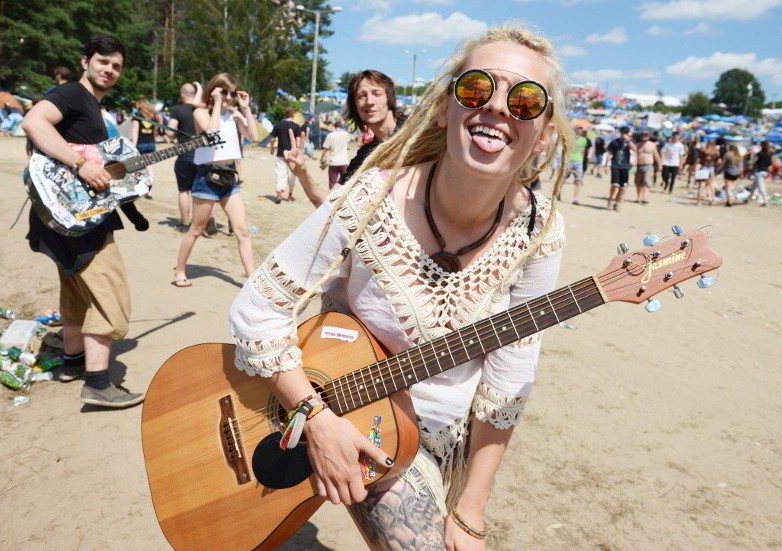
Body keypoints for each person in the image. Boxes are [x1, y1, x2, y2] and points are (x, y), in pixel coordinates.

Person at [229, 23, 568, 549]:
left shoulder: (539, 233)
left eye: (525, 101)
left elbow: (508, 380)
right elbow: (257, 309)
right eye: (478, 89)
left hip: (442, 437)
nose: (499, 108)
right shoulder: (371, 195)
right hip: (350, 420)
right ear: (443, 107)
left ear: (543, 135)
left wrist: (471, 511)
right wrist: (314, 419)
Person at [21, 34, 144, 408]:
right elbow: (33, 122)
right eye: (103, 61)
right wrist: (81, 165)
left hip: (66, 215)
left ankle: (73, 361)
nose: (109, 70)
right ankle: (98, 383)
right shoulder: (74, 94)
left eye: (116, 65)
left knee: (76, 293)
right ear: (85, 61)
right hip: (76, 220)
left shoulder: (91, 105)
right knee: (111, 294)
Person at [173, 72, 258, 287]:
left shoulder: (234, 113)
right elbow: (211, 132)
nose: (229, 97)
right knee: (197, 229)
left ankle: (252, 279)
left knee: (242, 231)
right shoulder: (201, 112)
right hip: (206, 177)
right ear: (214, 90)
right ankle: (180, 271)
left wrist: (245, 109)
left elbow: (254, 136)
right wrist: (218, 103)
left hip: (229, 176)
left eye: (232, 93)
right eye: (224, 92)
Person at [285, 69, 402, 208]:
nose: (369, 101)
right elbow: (330, 205)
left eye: (377, 93)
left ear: (389, 97)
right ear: (355, 107)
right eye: (361, 96)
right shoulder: (365, 157)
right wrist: (302, 174)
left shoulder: (417, 131)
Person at [167, 81, 203, 230]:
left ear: (182, 95)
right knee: (202, 192)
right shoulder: (202, 110)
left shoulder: (177, 110)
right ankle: (202, 223)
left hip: (185, 155)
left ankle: (185, 223)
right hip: (202, 155)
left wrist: (174, 137)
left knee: (184, 191)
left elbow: (170, 131)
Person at [268, 106, 302, 203]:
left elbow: (272, 139)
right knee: (292, 174)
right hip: (292, 155)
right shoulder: (296, 126)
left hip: (280, 153)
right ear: (293, 114)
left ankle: (279, 193)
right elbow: (298, 142)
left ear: (284, 113)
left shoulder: (278, 125)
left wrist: (271, 149)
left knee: (280, 173)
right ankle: (290, 196)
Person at [131, 98, 160, 198]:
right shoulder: (153, 117)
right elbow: (155, 132)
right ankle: (150, 191)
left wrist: (133, 146)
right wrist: (154, 140)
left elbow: (135, 132)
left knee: (139, 168)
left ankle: (140, 189)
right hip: (151, 144)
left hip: (140, 144)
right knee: (150, 168)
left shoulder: (137, 116)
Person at [605, 126, 636, 211]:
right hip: (615, 165)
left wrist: (628, 140)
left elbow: (635, 149)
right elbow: (609, 154)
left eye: (626, 132)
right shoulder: (615, 142)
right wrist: (607, 165)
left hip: (625, 167)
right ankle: (610, 199)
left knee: (623, 187)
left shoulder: (630, 141)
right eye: (623, 132)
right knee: (615, 184)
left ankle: (617, 202)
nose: (624, 134)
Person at [319, 118, 352, 190]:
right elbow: (348, 143)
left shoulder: (330, 135)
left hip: (333, 162)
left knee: (332, 182)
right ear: (342, 127)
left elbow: (325, 149)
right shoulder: (345, 134)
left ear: (334, 126)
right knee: (345, 181)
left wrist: (321, 158)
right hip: (344, 161)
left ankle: (332, 198)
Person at [634, 129, 661, 204]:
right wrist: (634, 165)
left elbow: (656, 155)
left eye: (646, 135)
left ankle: (645, 198)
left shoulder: (652, 145)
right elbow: (635, 155)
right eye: (643, 135)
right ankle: (639, 197)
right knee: (638, 182)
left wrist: (659, 164)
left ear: (648, 136)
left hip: (648, 165)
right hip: (639, 165)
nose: (644, 137)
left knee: (646, 181)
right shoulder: (638, 145)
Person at [565, 126, 588, 204]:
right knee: (562, 179)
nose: (579, 131)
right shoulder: (569, 138)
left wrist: (583, 160)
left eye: (581, 130)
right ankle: (558, 193)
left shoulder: (584, 140)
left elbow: (583, 151)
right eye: (578, 129)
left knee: (578, 180)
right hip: (569, 161)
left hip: (578, 161)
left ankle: (576, 199)